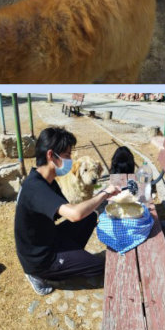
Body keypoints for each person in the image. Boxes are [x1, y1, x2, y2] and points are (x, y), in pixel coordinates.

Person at [15, 126, 121, 295]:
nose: (70, 160)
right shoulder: (36, 188)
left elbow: (73, 211)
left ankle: (72, 257)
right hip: (41, 259)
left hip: (50, 237)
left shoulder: (46, 179)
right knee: (100, 267)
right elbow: (74, 214)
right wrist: (104, 193)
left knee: (90, 217)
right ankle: (37, 275)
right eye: (66, 155)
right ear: (51, 155)